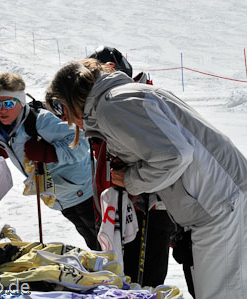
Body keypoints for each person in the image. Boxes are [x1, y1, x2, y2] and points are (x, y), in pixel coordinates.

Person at [45, 58, 247, 299]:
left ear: (72, 95)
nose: (64, 120)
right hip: (219, 198)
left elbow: (175, 156)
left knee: (219, 293)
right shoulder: (123, 96)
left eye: (60, 108)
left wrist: (131, 180)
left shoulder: (113, 105)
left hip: (217, 204)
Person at [86, 46, 176, 288]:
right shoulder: (101, 108)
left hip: (148, 205)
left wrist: (135, 182)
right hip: (118, 203)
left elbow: (165, 155)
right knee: (120, 275)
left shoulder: (130, 102)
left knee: (145, 280)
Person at [0, 72, 99, 250]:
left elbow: (81, 143)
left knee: (106, 244)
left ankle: (124, 275)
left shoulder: (41, 121)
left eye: (8, 103)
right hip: (61, 198)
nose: (2, 109)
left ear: (21, 102)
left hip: (85, 191)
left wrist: (51, 153)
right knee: (93, 242)